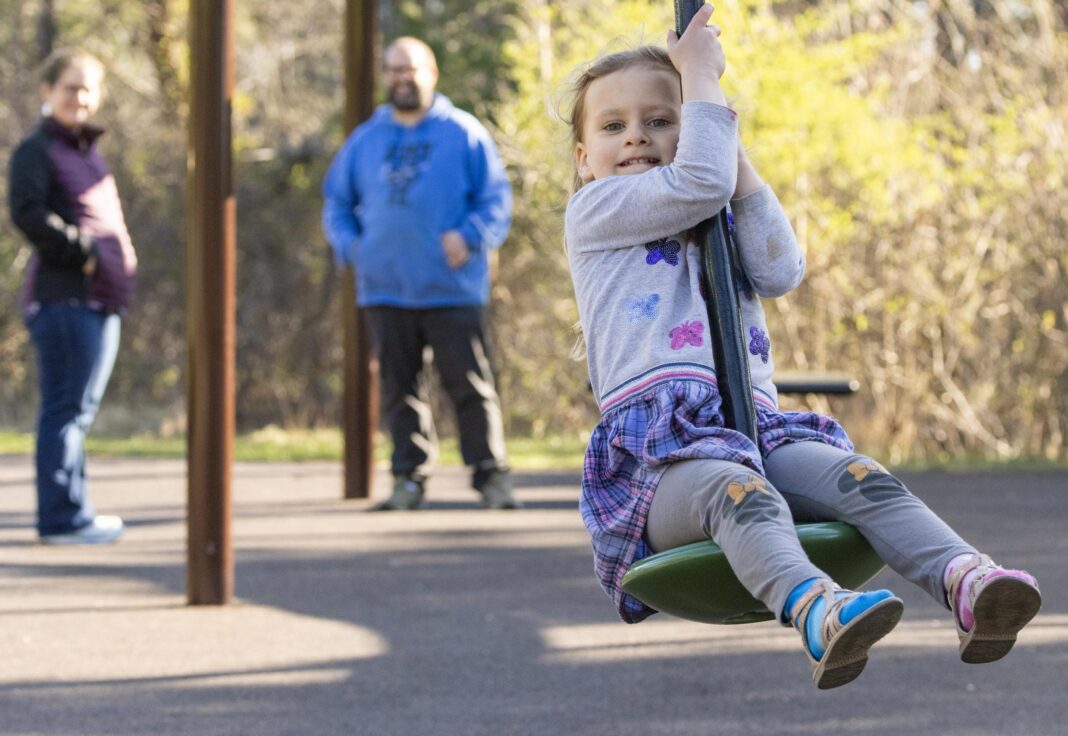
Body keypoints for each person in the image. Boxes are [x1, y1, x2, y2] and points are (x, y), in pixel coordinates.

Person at [563, 5, 1041, 689]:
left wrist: (737, 158)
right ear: (584, 159)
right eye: (614, 126)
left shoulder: (709, 202)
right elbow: (696, 179)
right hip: (662, 461)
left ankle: (969, 582)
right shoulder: (597, 211)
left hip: (758, 429)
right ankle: (820, 612)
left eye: (663, 119)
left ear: (698, 124)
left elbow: (782, 268)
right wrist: (697, 75)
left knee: (862, 477)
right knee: (739, 490)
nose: (637, 136)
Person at [322, 36, 519, 510]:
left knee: (470, 386)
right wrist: (353, 249)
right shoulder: (367, 139)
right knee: (399, 390)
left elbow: (497, 199)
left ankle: (490, 477)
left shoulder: (463, 132)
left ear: (431, 72)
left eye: (410, 69)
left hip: (452, 288)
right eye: (393, 70)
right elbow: (336, 202)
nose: (401, 78)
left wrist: (470, 235)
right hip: (386, 288)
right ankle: (408, 479)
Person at [8, 49, 137, 545]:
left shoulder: (85, 151)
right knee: (65, 410)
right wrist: (85, 253)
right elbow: (27, 211)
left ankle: (75, 511)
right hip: (64, 300)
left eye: (87, 88)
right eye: (69, 87)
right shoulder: (36, 150)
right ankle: (61, 519)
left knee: (78, 413)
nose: (78, 97)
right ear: (47, 91)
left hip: (100, 299)